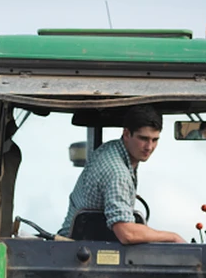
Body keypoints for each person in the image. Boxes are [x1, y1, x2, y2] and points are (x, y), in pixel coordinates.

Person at [58, 105, 186, 244]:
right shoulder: (117, 173)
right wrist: (173, 237)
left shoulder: (111, 150)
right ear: (126, 134)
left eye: (155, 140)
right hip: (76, 252)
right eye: (143, 138)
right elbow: (126, 233)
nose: (149, 147)